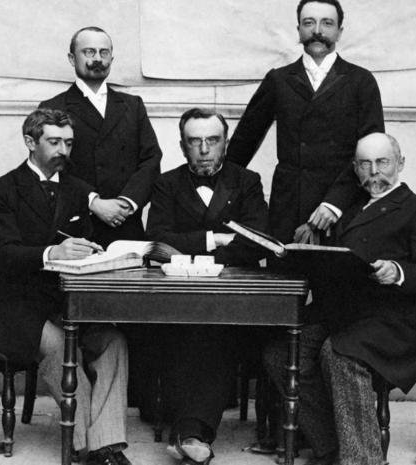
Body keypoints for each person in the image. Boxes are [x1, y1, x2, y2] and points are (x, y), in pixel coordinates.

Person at [264, 133, 416, 465]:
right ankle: (332, 447)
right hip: (343, 315)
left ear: (400, 163)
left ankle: (363, 459)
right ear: (355, 168)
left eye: (382, 162)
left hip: (393, 323)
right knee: (280, 354)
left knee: (340, 353)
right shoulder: (348, 209)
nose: (374, 172)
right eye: (365, 164)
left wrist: (397, 271)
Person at [0, 108, 132, 465]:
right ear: (30, 142)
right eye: (54, 141)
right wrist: (53, 252)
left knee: (114, 342)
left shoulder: (78, 191)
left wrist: (92, 253)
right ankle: (87, 447)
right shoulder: (1, 190)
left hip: (65, 303)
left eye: (69, 143)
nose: (63, 150)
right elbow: (5, 255)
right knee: (64, 348)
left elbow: (84, 244)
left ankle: (106, 443)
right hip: (14, 306)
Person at [146, 108, 269, 465]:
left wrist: (189, 245)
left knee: (216, 333)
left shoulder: (247, 181)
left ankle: (190, 434)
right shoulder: (166, 183)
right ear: (182, 146)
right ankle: (191, 434)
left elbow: (257, 242)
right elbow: (157, 240)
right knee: (183, 333)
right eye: (194, 141)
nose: (204, 149)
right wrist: (215, 239)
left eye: (212, 141)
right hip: (179, 297)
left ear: (225, 143)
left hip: (234, 299)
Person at [226, 0, 384, 246]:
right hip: (289, 210)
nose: (317, 31)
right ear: (298, 29)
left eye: (327, 23)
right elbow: (242, 144)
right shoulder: (278, 80)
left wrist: (334, 203)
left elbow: (372, 153)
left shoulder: (361, 82)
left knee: (341, 270)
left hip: (344, 209)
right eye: (309, 23)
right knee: (287, 270)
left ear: (340, 31)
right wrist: (222, 196)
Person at [38, 26, 162, 247]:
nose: (97, 58)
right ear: (72, 58)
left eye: (103, 52)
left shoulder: (132, 106)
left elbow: (151, 159)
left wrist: (127, 203)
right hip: (77, 227)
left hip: (126, 226)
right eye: (89, 52)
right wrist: (93, 202)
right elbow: (48, 165)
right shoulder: (53, 107)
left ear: (111, 59)